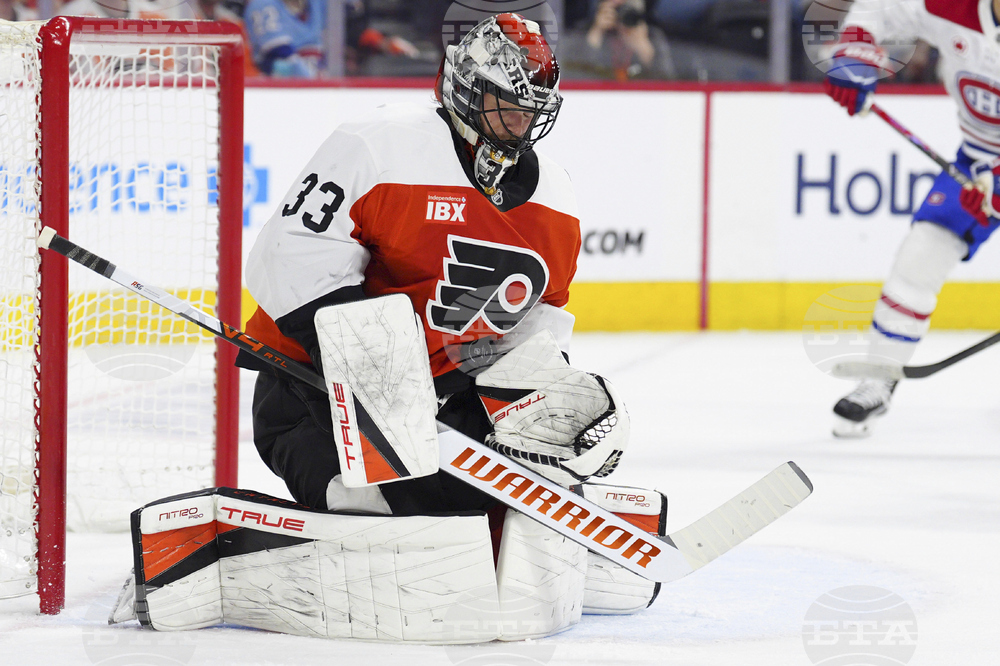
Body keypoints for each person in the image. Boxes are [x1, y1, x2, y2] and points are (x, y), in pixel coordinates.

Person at [825, 0, 1000, 437]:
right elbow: (878, 9)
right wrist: (854, 56)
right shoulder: (955, 7)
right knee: (920, 255)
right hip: (977, 162)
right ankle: (878, 378)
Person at [560, 0, 676, 80]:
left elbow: (669, 84)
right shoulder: (583, 31)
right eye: (617, 6)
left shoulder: (652, 34)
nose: (621, 12)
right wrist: (596, 34)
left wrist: (644, 48)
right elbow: (571, 77)